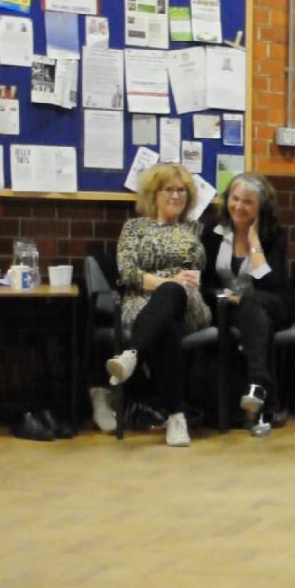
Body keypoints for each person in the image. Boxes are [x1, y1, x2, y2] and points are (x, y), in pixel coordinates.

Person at [105, 163, 214, 447]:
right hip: (141, 304)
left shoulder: (196, 228)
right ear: (154, 194)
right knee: (165, 325)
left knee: (173, 294)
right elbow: (128, 273)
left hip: (189, 302)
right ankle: (177, 418)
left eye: (181, 191)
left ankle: (131, 354)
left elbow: (208, 271)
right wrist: (167, 282)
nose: (176, 196)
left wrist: (179, 283)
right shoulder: (134, 228)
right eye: (169, 190)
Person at [201, 172, 291, 437]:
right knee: (255, 319)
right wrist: (226, 298)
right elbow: (205, 281)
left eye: (247, 202)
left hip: (268, 301)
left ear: (261, 206)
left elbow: (271, 282)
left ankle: (257, 390)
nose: (238, 206)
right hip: (225, 306)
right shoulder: (213, 233)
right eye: (234, 198)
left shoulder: (275, 235)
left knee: (253, 304)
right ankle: (260, 394)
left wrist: (254, 244)